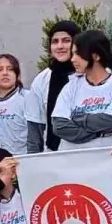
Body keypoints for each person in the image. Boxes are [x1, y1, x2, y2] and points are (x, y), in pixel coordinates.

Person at [51, 30, 112, 151]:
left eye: (77, 54)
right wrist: (98, 134)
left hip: (106, 160)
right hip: (71, 160)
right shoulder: (71, 87)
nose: (73, 59)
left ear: (96, 56)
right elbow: (59, 126)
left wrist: (78, 118)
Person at [26, 19, 78, 153]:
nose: (60, 46)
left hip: (84, 152)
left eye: (66, 40)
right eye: (55, 41)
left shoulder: (88, 76)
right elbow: (35, 126)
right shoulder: (42, 79)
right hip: (53, 155)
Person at [0, 54, 30, 156]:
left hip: (21, 162)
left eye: (10, 69)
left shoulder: (27, 98)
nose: (5, 73)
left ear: (17, 74)